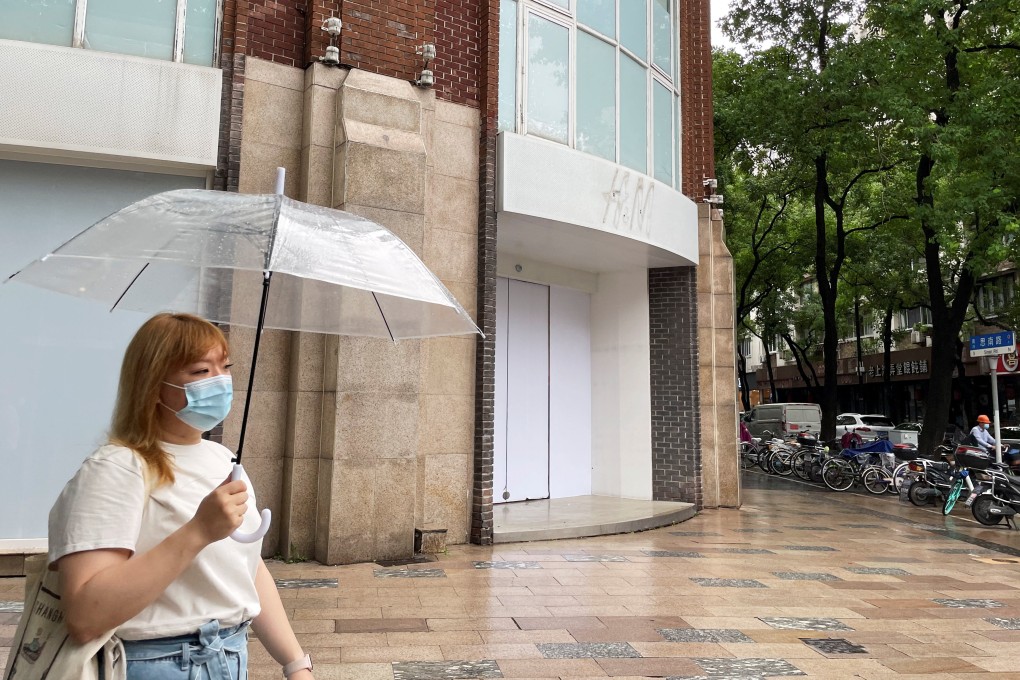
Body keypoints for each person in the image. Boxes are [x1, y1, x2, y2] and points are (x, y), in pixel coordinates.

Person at [48, 313, 314, 680]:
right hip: (154, 664)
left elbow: (246, 569)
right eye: (200, 372)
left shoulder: (223, 459)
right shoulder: (117, 469)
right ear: (153, 384)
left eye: (225, 366)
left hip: (229, 656)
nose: (220, 382)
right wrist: (199, 531)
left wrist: (296, 663)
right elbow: (85, 616)